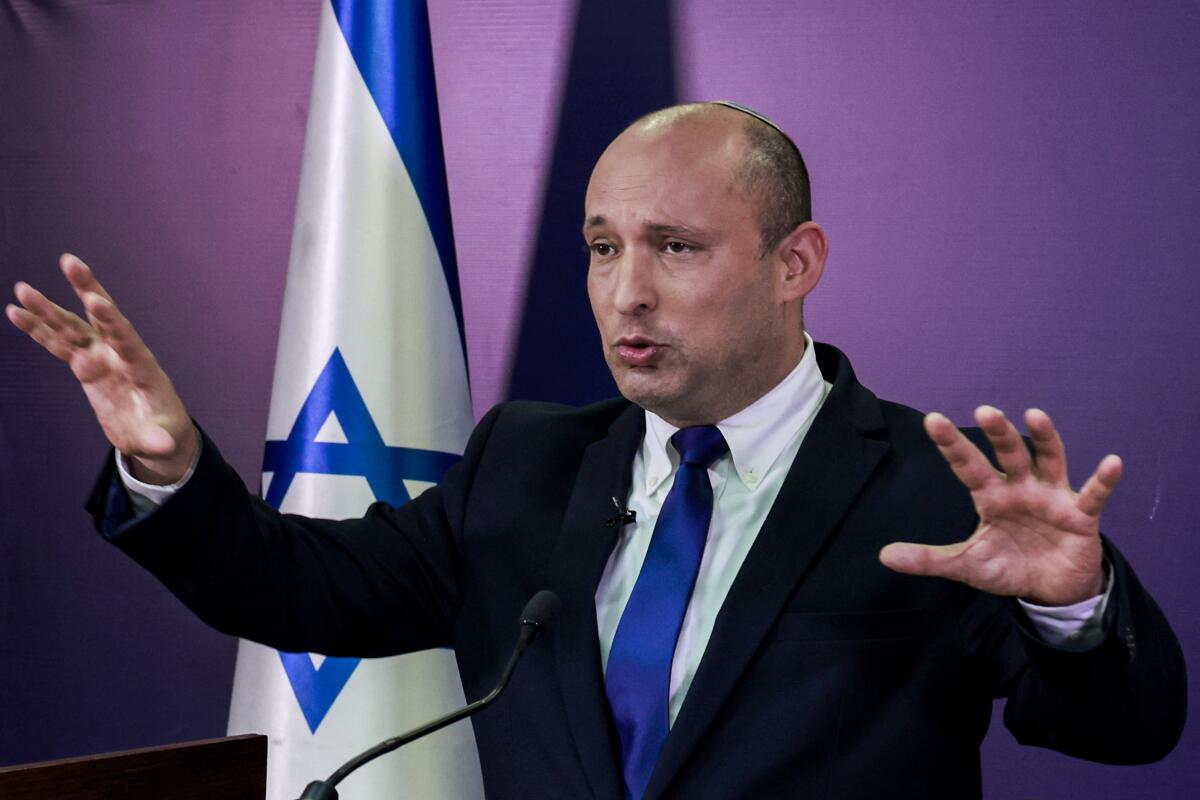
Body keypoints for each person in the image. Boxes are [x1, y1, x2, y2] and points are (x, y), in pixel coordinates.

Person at [6, 102, 1185, 799]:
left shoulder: (941, 482)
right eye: (601, 244)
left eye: (674, 247)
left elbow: (1127, 729)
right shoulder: (526, 460)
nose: (626, 293)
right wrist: (166, 462)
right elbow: (299, 584)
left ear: (796, 263)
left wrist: (1075, 609)